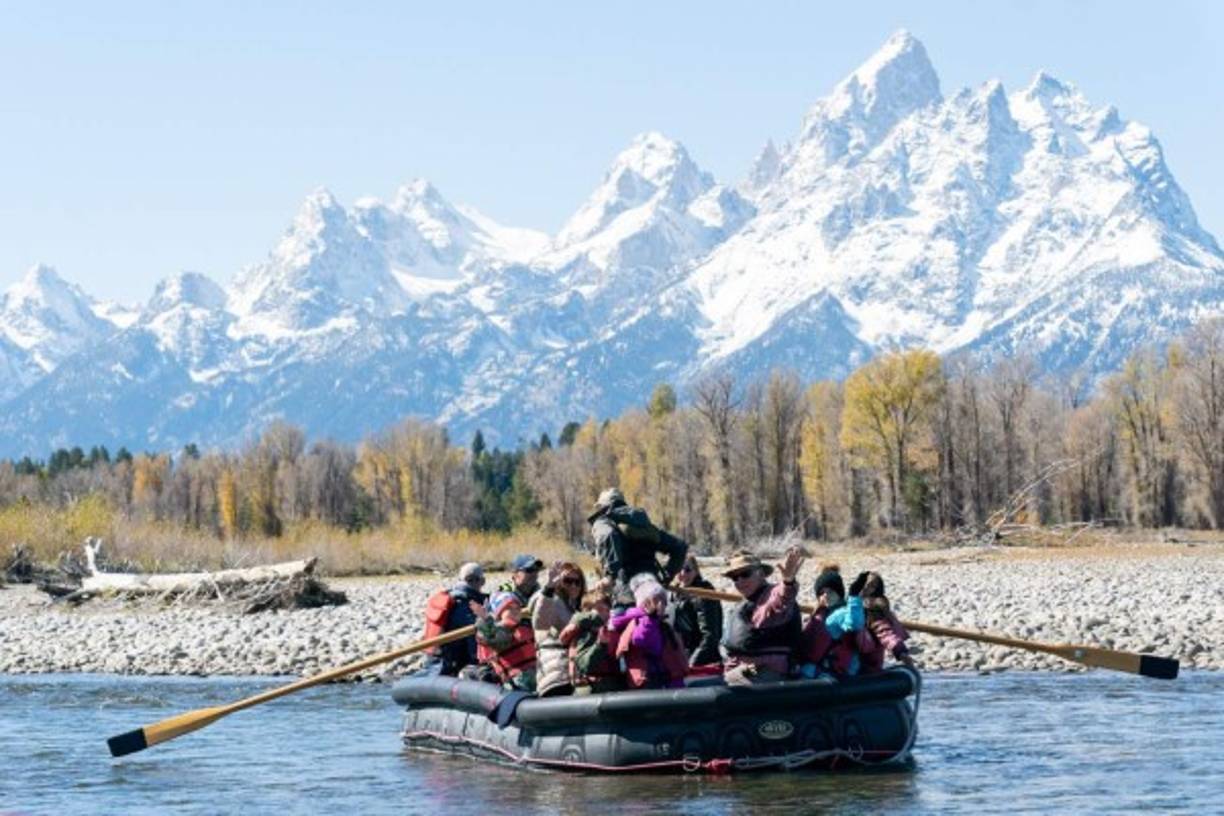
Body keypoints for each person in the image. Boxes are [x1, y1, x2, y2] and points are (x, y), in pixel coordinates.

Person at [588, 488, 688, 610]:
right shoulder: (645, 526)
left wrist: (609, 576)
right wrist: (664, 577)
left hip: (625, 597)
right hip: (653, 595)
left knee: (617, 626)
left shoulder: (605, 521)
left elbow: (608, 536)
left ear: (603, 506)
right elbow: (680, 547)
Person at [721, 546, 805, 686]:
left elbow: (781, 600)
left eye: (745, 574)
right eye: (734, 577)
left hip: (770, 672)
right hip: (742, 669)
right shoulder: (746, 603)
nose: (739, 581)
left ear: (760, 574)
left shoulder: (773, 595)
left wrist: (788, 582)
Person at [610, 577, 688, 689]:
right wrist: (651, 618)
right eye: (658, 601)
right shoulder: (640, 621)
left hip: (666, 680)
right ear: (645, 603)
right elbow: (640, 639)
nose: (663, 605)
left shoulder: (662, 625)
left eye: (664, 601)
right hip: (650, 682)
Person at [527, 561, 587, 697]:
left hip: (572, 674)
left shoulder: (576, 606)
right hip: (556, 676)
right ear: (559, 582)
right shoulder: (553, 600)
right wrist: (549, 588)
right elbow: (540, 623)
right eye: (568, 581)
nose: (573, 585)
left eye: (577, 582)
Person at [798, 564, 867, 678]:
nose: (825, 596)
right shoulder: (820, 613)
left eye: (830, 592)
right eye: (821, 593)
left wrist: (854, 596)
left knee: (805, 672)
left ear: (839, 594)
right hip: (817, 667)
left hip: (833, 674)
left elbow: (854, 623)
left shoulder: (841, 613)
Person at [420, 562, 488, 676]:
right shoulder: (466, 605)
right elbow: (474, 644)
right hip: (449, 666)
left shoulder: (450, 597)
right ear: (482, 581)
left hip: (433, 660)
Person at [558, 590, 624, 694]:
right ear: (587, 611)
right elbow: (585, 665)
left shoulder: (610, 632)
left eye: (607, 610)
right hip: (589, 689)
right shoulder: (583, 634)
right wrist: (601, 645)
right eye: (600, 609)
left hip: (612, 686)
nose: (606, 614)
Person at [471, 591, 537, 692]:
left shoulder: (526, 627)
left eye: (517, 608)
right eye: (509, 608)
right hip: (517, 682)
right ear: (500, 612)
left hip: (537, 675)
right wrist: (485, 620)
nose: (515, 611)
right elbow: (495, 639)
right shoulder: (499, 630)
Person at [849, 571, 914, 672]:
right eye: (864, 584)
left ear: (876, 590)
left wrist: (900, 652)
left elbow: (886, 633)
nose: (866, 588)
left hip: (868, 662)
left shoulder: (874, 611)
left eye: (871, 586)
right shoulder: (851, 604)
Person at [670, 554, 724, 670]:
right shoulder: (674, 592)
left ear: (696, 571)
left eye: (688, 570)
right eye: (679, 569)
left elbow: (710, 635)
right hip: (681, 656)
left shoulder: (704, 593)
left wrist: (693, 663)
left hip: (702, 660)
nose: (683, 573)